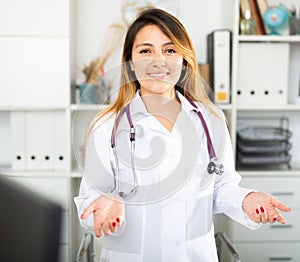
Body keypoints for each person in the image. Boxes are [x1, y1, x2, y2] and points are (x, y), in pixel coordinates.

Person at [74, 8, 291, 261]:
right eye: (145, 51)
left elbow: (223, 186)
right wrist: (104, 206)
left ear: (184, 59)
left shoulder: (211, 119)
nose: (158, 61)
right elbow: (91, 200)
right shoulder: (107, 125)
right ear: (130, 63)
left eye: (170, 50)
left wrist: (247, 200)